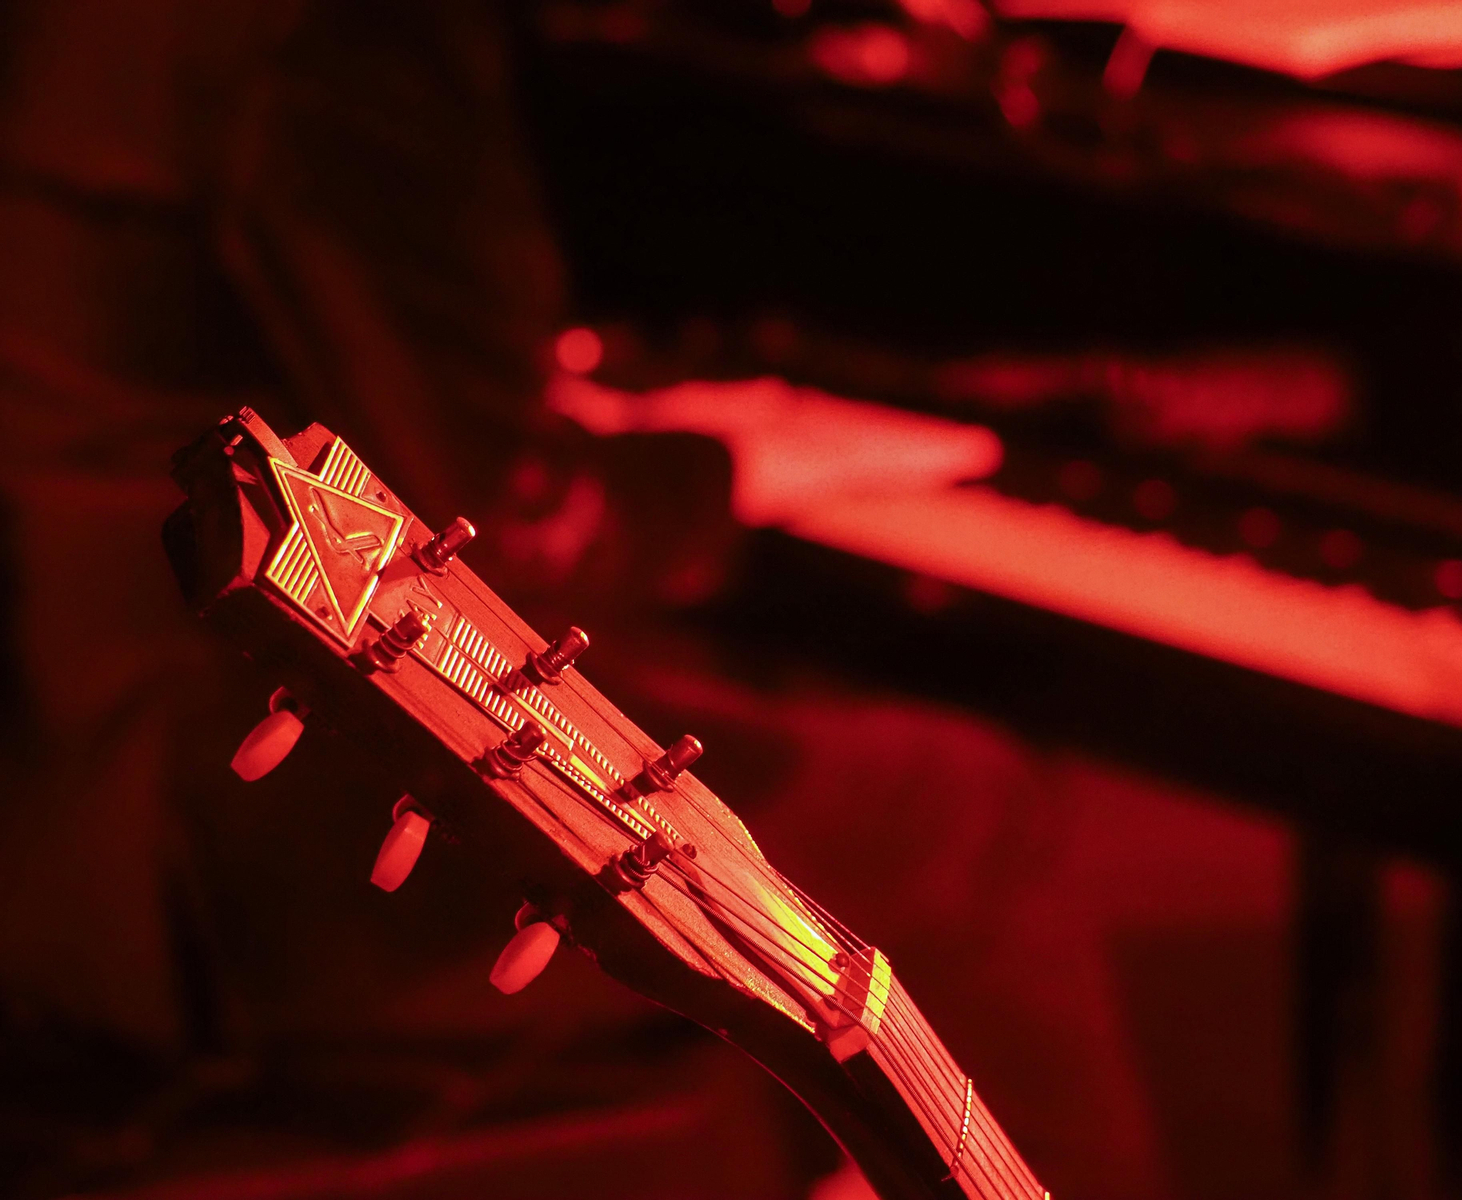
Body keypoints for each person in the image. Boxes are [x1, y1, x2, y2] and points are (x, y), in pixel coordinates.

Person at [0, 2, 1161, 1196]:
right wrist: (731, 464)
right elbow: (508, 521)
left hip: (56, 742)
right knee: (969, 820)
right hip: (182, 828)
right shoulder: (348, 34)